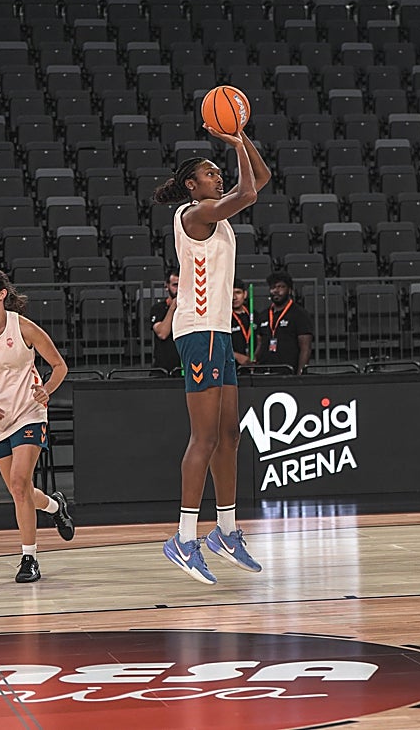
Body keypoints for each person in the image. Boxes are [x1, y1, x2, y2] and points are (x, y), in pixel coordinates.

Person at [152, 126, 271, 584]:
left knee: (229, 435)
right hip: (197, 331)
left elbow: (259, 179)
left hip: (218, 331)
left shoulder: (215, 214)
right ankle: (183, 538)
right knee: (202, 438)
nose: (217, 177)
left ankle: (225, 530)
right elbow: (248, 192)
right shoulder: (194, 214)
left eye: (219, 172)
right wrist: (237, 143)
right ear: (190, 184)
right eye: (209, 172)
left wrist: (243, 138)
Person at [0, 267, 74, 583]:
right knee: (19, 491)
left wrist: (46, 389)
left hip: (29, 412)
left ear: (2, 293)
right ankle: (53, 506)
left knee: (20, 482)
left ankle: (29, 558)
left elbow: (60, 365)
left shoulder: (23, 328)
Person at [254, 271, 314, 374]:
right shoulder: (263, 315)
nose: (276, 291)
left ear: (289, 290)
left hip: (288, 372)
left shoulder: (300, 314)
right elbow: (259, 344)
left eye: (281, 287)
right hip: (264, 373)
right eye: (273, 287)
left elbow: (305, 348)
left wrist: (300, 375)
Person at [150, 270, 182, 375]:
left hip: (185, 368)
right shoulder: (157, 309)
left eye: (182, 284)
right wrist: (172, 308)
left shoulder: (192, 309)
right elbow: (162, 334)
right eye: (175, 285)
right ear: (166, 286)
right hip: (163, 369)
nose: (179, 289)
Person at [231, 278, 253, 366]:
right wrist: (236, 355)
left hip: (254, 367)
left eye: (238, 292)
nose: (234, 297)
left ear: (245, 294)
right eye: (231, 293)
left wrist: (256, 355)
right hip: (232, 368)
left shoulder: (254, 315)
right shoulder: (222, 318)